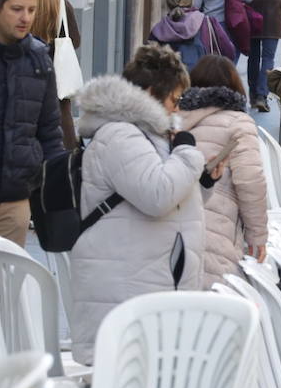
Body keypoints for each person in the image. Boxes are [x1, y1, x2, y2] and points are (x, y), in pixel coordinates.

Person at [69, 44, 218, 365]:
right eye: (174, 101)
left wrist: (204, 182)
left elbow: (173, 201)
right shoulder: (120, 136)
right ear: (151, 92)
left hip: (145, 283)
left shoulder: (148, 134)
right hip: (125, 290)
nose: (176, 111)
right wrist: (189, 153)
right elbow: (157, 195)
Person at [0, 0, 64, 244]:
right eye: (17, 9)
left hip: (14, 201)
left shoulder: (40, 59)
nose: (26, 18)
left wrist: (57, 188)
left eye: (31, 10)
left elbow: (50, 131)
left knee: (5, 284)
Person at [177, 55, 269, 287]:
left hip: (175, 222)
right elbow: (250, 180)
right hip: (220, 222)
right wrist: (257, 235)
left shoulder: (174, 119)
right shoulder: (239, 122)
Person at [16, 0, 82, 149]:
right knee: (59, 137)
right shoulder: (59, 3)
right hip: (55, 82)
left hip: (22, 80)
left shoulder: (15, 6)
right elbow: (75, 41)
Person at [149, 0, 236, 68]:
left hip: (168, 80)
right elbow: (229, 52)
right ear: (191, 0)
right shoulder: (207, 22)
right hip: (201, 77)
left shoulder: (158, 30)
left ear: (167, 2)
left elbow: (147, 62)